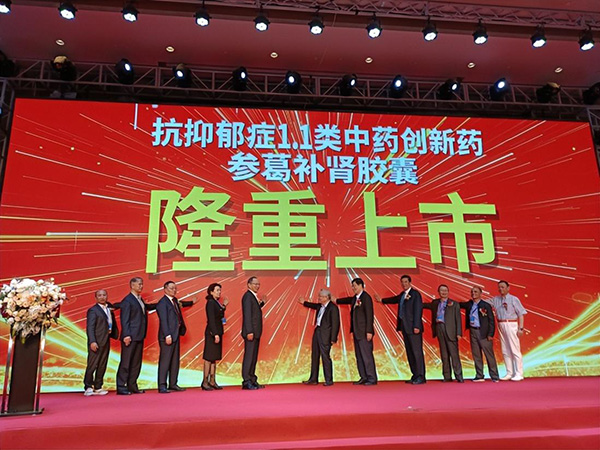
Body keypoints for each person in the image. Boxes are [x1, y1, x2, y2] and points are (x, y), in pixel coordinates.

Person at [376, 274, 426, 384]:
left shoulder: (415, 294)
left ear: (410, 283)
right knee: (410, 352)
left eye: (406, 282)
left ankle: (421, 376)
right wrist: (382, 300)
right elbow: (394, 299)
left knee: (417, 352)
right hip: (405, 328)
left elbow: (418, 310)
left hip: (413, 328)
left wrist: (417, 326)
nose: (404, 284)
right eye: (402, 282)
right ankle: (415, 375)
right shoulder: (403, 295)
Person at [116, 277, 157, 395]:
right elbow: (125, 320)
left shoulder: (139, 299)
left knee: (136, 362)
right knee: (126, 362)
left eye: (142, 284)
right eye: (139, 284)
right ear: (132, 285)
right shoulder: (127, 300)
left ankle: (132, 385)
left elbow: (146, 308)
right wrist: (126, 335)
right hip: (130, 336)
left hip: (139, 335)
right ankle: (121, 386)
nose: (141, 286)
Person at [156, 280, 197, 394]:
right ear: (165, 289)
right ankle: (162, 385)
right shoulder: (162, 303)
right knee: (165, 361)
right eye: (171, 288)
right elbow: (164, 320)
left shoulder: (174, 301)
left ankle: (173, 383)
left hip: (175, 334)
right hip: (167, 336)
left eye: (175, 288)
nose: (174, 290)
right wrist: (167, 335)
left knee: (174, 361)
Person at [336, 278, 377, 386]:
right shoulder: (355, 298)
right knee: (359, 356)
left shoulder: (366, 297)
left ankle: (371, 378)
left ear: (360, 285)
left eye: (354, 286)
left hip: (364, 332)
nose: (353, 288)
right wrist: (336, 300)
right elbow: (348, 300)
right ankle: (363, 377)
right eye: (352, 286)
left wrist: (369, 331)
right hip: (357, 331)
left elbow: (369, 315)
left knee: (366, 356)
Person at [485, 280, 527, 381]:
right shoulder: (496, 299)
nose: (501, 289)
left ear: (508, 288)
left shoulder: (513, 299)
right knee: (505, 350)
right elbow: (484, 303)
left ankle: (519, 373)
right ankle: (509, 372)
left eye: (503, 287)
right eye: (499, 287)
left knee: (514, 349)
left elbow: (521, 314)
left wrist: (521, 328)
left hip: (511, 324)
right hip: (500, 324)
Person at [298, 289, 341, 386]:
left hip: (326, 336)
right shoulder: (320, 306)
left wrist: (333, 338)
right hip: (317, 332)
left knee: (325, 357)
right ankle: (313, 379)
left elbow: (336, 324)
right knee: (315, 356)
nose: (319, 298)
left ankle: (329, 380)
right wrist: (304, 302)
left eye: (320, 296)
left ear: (326, 297)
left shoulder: (333, 308)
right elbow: (313, 305)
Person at [423, 284, 464, 383]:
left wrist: (459, 333)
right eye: (442, 290)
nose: (444, 292)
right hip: (439, 328)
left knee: (454, 355)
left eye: (445, 290)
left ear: (448, 292)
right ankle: (447, 376)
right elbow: (424, 305)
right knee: (444, 355)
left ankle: (459, 376)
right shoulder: (435, 303)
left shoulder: (454, 304)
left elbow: (458, 319)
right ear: (438, 292)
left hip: (451, 330)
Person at [459, 286, 499, 382]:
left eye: (476, 292)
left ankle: (494, 376)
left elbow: (491, 321)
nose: (473, 293)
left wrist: (490, 334)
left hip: (484, 332)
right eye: (472, 292)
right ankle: (479, 375)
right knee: (476, 354)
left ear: (481, 293)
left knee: (489, 355)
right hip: (473, 331)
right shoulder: (469, 304)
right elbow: (458, 304)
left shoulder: (486, 305)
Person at [84, 289, 118, 396]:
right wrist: (92, 341)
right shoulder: (93, 310)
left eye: (104, 295)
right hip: (96, 341)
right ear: (96, 298)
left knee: (102, 364)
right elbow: (90, 327)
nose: (102, 297)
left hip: (106, 339)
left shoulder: (109, 309)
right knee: (92, 365)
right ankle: (88, 386)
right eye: (99, 295)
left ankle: (98, 386)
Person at [241, 276, 266, 390]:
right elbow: (247, 315)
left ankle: (252, 379)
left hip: (256, 332)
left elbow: (254, 311)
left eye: (258, 284)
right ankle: (246, 381)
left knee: (253, 357)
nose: (257, 286)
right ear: (249, 285)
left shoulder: (253, 296)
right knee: (249, 357)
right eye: (255, 284)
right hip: (251, 332)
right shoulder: (248, 296)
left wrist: (262, 304)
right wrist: (249, 331)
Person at [202, 283, 229, 391]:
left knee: (214, 358)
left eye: (220, 290)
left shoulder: (216, 302)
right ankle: (205, 382)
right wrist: (215, 334)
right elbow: (211, 319)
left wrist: (224, 306)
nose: (219, 292)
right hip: (212, 333)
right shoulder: (210, 302)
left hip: (217, 331)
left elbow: (220, 313)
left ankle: (212, 381)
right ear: (211, 292)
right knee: (208, 357)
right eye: (217, 290)